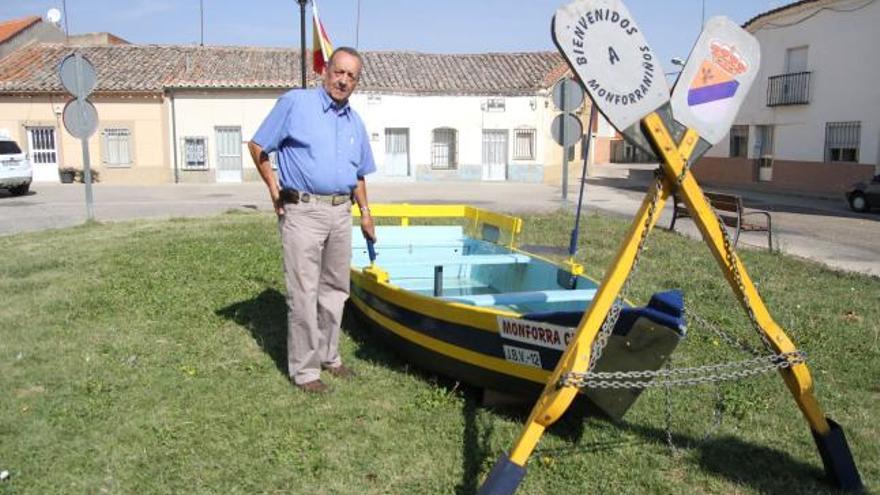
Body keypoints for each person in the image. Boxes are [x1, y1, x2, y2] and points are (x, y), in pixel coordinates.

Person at [248, 47, 376, 393]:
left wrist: (365, 213)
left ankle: (329, 356)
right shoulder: (296, 104)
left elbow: (360, 174)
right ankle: (305, 372)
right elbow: (258, 145)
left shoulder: (355, 122)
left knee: (336, 291)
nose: (343, 80)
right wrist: (274, 188)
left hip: (340, 212)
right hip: (303, 211)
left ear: (356, 82)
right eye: (339, 72)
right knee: (303, 293)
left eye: (351, 76)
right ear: (325, 71)